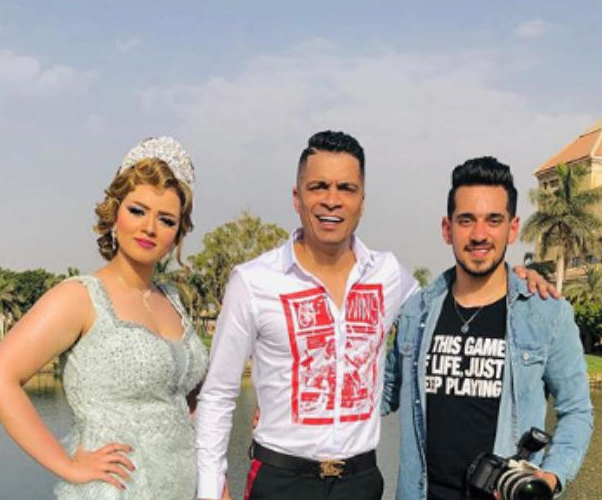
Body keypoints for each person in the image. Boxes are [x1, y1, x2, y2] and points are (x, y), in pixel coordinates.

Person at [195, 132, 556, 500]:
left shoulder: (388, 276)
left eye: (346, 188)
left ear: (362, 201)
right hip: (281, 480)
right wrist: (210, 488)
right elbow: (219, 395)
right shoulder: (254, 282)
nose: (332, 200)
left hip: (360, 483)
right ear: (297, 197)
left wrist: (515, 279)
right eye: (318, 186)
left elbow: (451, 301)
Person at [0, 136, 209, 500]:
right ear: (114, 213)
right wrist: (67, 465)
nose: (149, 227)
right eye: (138, 211)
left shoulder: (174, 300)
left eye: (166, 220)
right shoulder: (80, 297)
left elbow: (189, 401)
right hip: (115, 490)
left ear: (178, 233)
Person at [382, 157, 593, 500]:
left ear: (512, 228)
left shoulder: (547, 314)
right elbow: (381, 394)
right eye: (466, 220)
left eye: (493, 220)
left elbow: (576, 410)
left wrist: (551, 476)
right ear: (447, 228)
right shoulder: (415, 311)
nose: (479, 235)